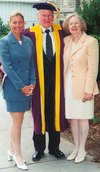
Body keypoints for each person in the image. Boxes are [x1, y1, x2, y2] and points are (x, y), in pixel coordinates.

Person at [22, 2, 69, 161]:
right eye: (44, 15)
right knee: (38, 115)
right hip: (38, 83)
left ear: (53, 17)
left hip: (57, 83)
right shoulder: (29, 33)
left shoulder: (61, 32)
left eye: (50, 15)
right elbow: (13, 47)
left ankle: (55, 148)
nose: (47, 18)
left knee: (55, 114)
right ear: (38, 16)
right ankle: (39, 150)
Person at [0, 11, 36, 170]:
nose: (17, 25)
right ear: (9, 23)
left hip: (27, 87)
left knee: (18, 121)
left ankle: (10, 150)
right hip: (14, 87)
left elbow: (31, 64)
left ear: (24, 23)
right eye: (14, 22)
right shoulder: (4, 41)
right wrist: (22, 87)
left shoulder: (28, 41)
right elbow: (7, 66)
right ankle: (18, 155)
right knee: (17, 122)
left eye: (20, 22)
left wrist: (32, 83)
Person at [63, 12, 99, 163]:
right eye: (71, 24)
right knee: (73, 119)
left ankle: (82, 149)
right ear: (67, 26)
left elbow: (93, 68)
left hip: (85, 85)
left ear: (82, 25)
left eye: (76, 23)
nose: (74, 26)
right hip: (68, 85)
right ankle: (76, 148)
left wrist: (88, 90)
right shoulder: (66, 40)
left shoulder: (90, 42)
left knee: (83, 118)